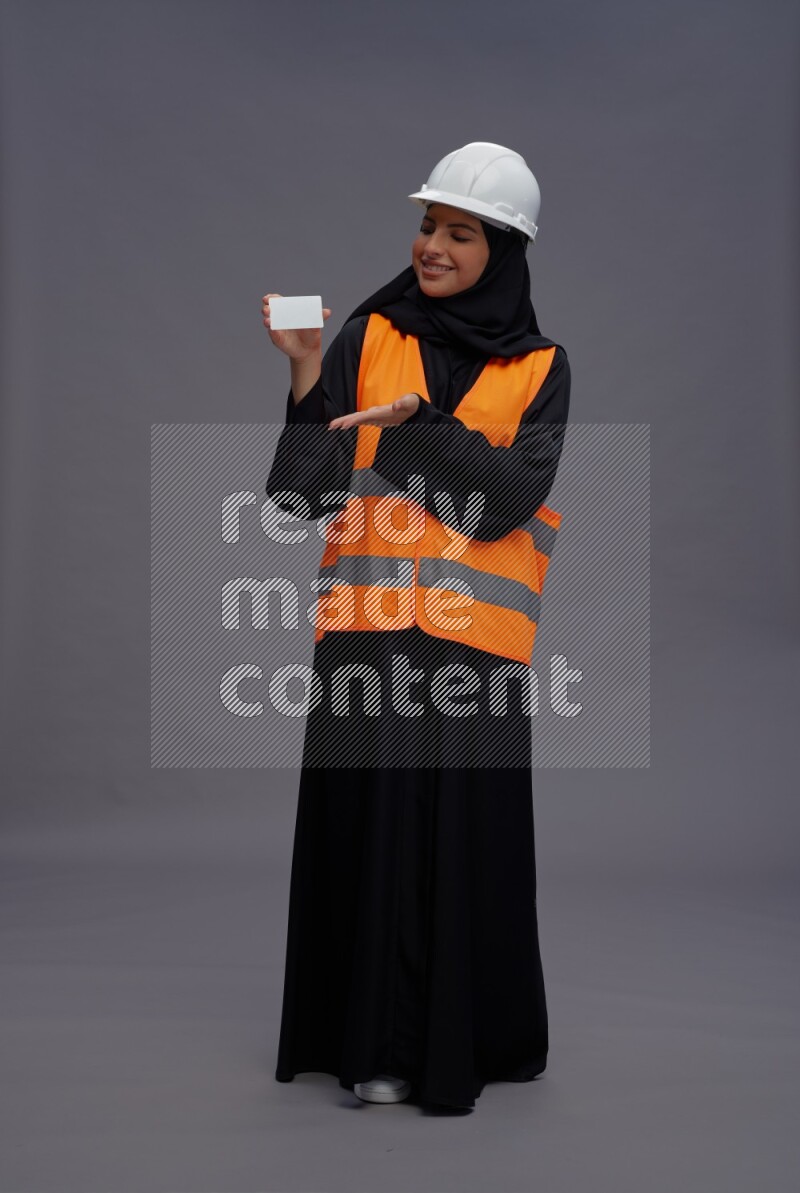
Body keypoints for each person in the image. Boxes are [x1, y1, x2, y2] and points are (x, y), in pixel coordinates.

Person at [262, 142, 571, 1110]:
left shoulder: (542, 368)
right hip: (364, 638)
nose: (431, 245)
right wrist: (311, 372)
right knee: (372, 833)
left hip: (473, 654)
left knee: (461, 847)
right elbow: (299, 495)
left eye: (458, 231)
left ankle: (466, 1041)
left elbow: (512, 497)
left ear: (504, 248)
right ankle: (370, 1047)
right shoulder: (367, 333)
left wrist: (412, 425)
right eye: (427, 225)